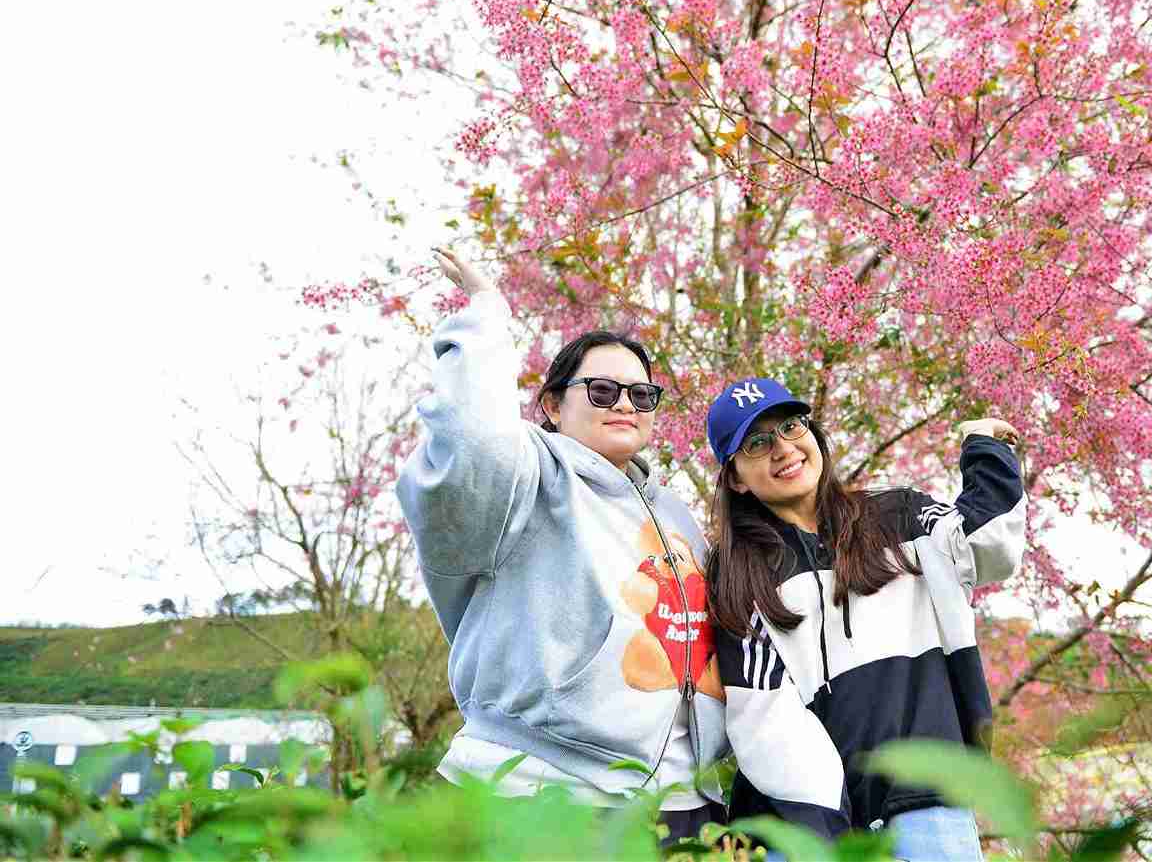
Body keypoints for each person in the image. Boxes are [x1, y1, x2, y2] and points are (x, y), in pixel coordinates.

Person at [395, 247, 728, 840]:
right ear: (552, 404)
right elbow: (474, 440)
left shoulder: (673, 512)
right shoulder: (528, 475)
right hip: (541, 789)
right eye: (601, 391)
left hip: (676, 801)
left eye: (641, 395)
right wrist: (487, 314)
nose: (625, 404)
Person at [702, 377, 1026, 860]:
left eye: (791, 426)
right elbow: (762, 717)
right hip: (804, 828)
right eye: (757, 442)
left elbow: (989, 545)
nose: (783, 449)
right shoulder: (736, 576)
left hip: (926, 803)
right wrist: (825, 829)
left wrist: (985, 448)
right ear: (736, 478)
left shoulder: (901, 517)